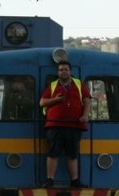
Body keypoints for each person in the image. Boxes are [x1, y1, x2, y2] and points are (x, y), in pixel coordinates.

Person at [39, 60, 91, 188]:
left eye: (66, 69)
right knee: (53, 152)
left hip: (74, 125)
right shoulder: (52, 85)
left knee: (72, 154)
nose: (63, 71)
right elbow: (42, 102)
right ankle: (50, 179)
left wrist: (85, 115)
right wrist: (56, 100)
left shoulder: (79, 85)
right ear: (58, 72)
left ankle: (74, 181)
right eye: (61, 69)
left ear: (70, 71)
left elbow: (87, 101)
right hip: (55, 125)